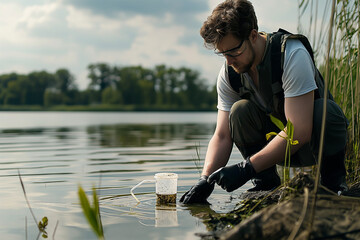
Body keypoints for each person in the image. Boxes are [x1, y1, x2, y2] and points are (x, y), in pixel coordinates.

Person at [180, 0, 349, 204]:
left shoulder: (292, 54)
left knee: (324, 110)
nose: (229, 61)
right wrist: (205, 179)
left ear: (253, 35)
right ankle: (266, 184)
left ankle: (333, 183)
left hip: (313, 145)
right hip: (273, 153)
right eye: (222, 53)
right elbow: (223, 135)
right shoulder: (229, 73)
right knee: (239, 110)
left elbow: (299, 131)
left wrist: (245, 168)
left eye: (233, 52)